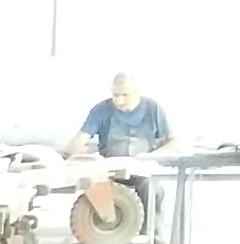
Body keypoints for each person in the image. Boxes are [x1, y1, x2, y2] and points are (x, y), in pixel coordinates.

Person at [65, 72, 171, 232]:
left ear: (136, 92)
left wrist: (155, 156)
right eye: (115, 95)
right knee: (95, 188)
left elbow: (174, 140)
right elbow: (81, 137)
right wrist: (67, 155)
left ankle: (152, 230)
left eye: (124, 95)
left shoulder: (153, 109)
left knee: (153, 189)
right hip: (110, 171)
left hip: (141, 170)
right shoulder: (101, 110)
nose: (119, 100)